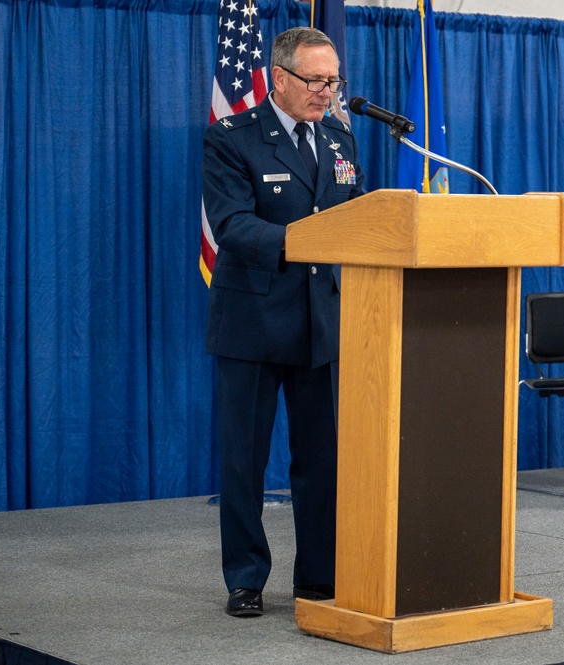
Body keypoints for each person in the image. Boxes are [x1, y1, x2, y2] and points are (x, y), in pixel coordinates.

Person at [202, 27, 366, 617]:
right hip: (253, 322)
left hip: (323, 323)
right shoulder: (233, 138)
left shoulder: (342, 139)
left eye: (334, 81)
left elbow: (359, 217)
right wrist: (311, 241)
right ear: (279, 77)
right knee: (244, 459)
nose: (328, 92)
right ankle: (245, 579)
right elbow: (234, 226)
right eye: (317, 81)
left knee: (322, 461)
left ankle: (318, 578)